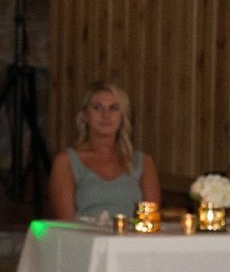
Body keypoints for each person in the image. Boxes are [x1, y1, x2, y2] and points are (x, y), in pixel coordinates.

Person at [49, 81, 161, 220]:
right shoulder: (66, 161)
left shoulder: (143, 162)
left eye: (113, 108)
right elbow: (66, 221)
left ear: (123, 116)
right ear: (85, 115)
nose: (105, 115)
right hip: (85, 237)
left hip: (132, 238)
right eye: (97, 108)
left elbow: (149, 219)